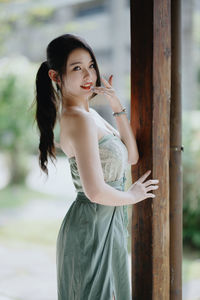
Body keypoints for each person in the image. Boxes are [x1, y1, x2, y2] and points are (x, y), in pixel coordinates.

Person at [34, 33, 159, 300]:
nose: (88, 74)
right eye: (77, 68)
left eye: (91, 65)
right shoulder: (78, 119)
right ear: (56, 77)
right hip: (90, 229)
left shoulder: (90, 115)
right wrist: (132, 196)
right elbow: (94, 192)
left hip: (106, 225)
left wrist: (117, 106)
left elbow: (132, 157)